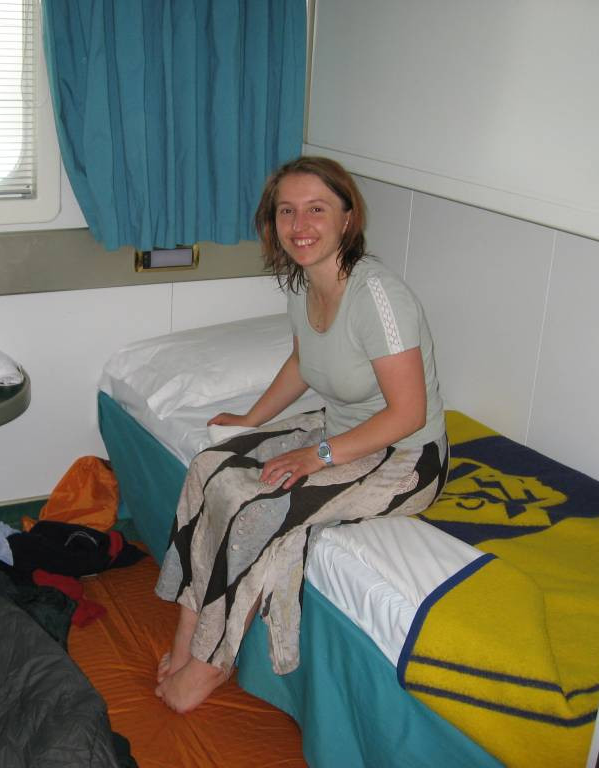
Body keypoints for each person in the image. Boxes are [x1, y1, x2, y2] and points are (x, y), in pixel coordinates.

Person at [153, 156, 448, 713]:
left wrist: (318, 455)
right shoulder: (302, 280)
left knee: (254, 507)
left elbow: (409, 413)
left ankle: (212, 662)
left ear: (347, 218)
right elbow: (301, 362)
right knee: (209, 467)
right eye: (286, 211)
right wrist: (251, 419)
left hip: (406, 457)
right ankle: (188, 634)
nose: (300, 224)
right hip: (343, 427)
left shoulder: (378, 297)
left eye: (316, 209)